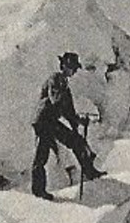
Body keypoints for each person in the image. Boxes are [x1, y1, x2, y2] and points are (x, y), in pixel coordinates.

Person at [31, 51, 104, 199]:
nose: (74, 71)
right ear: (64, 66)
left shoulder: (64, 84)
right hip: (43, 121)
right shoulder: (56, 79)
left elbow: (69, 112)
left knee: (77, 141)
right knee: (41, 156)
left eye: (75, 68)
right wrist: (64, 101)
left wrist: (78, 121)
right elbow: (55, 100)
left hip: (51, 121)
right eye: (72, 67)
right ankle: (39, 191)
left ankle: (90, 172)